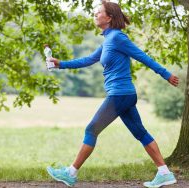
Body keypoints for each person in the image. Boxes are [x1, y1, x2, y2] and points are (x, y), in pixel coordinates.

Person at [46, 1, 179, 187]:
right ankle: (164, 173)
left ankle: (71, 173)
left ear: (109, 17)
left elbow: (142, 56)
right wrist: (60, 64)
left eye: (99, 12)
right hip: (123, 95)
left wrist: (165, 74)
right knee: (140, 133)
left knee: (91, 129)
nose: (95, 14)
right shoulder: (108, 40)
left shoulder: (118, 38)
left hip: (120, 95)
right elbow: (88, 60)